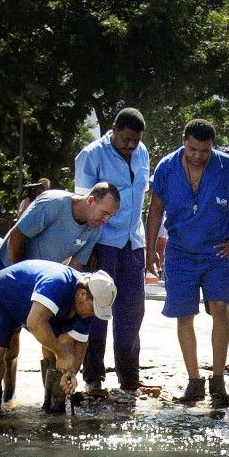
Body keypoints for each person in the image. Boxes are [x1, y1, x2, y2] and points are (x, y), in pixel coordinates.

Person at [145, 118, 229, 403]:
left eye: (204, 151)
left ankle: (218, 380)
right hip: (180, 253)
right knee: (185, 315)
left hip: (216, 252)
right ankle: (194, 381)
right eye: (193, 149)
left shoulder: (226, 166)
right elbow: (155, 210)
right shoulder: (166, 168)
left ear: (211, 147)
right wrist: (151, 250)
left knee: (221, 308)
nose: (197, 156)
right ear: (184, 140)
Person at [0, 183, 120, 403]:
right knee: (10, 335)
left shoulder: (94, 228)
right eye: (104, 213)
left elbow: (76, 271)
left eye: (110, 216)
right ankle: (8, 390)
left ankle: (52, 401)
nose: (105, 220)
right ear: (90, 201)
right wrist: (24, 284)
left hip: (50, 280)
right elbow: (16, 237)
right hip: (15, 270)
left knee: (52, 334)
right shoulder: (52, 204)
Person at [0, 259, 116, 417]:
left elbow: (79, 345)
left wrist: (71, 372)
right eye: (94, 308)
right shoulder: (58, 282)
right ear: (83, 295)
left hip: (30, 309)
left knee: (64, 347)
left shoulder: (88, 307)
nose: (94, 314)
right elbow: (35, 323)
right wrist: (61, 354)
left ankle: (52, 407)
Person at [74, 107, 150, 395]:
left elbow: (142, 197)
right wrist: (86, 249)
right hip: (102, 242)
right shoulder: (91, 155)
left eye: (136, 140)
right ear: (114, 129)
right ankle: (93, 376)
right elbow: (84, 206)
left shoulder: (142, 152)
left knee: (132, 310)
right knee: (96, 309)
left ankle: (129, 378)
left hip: (133, 243)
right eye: (126, 139)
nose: (131, 145)